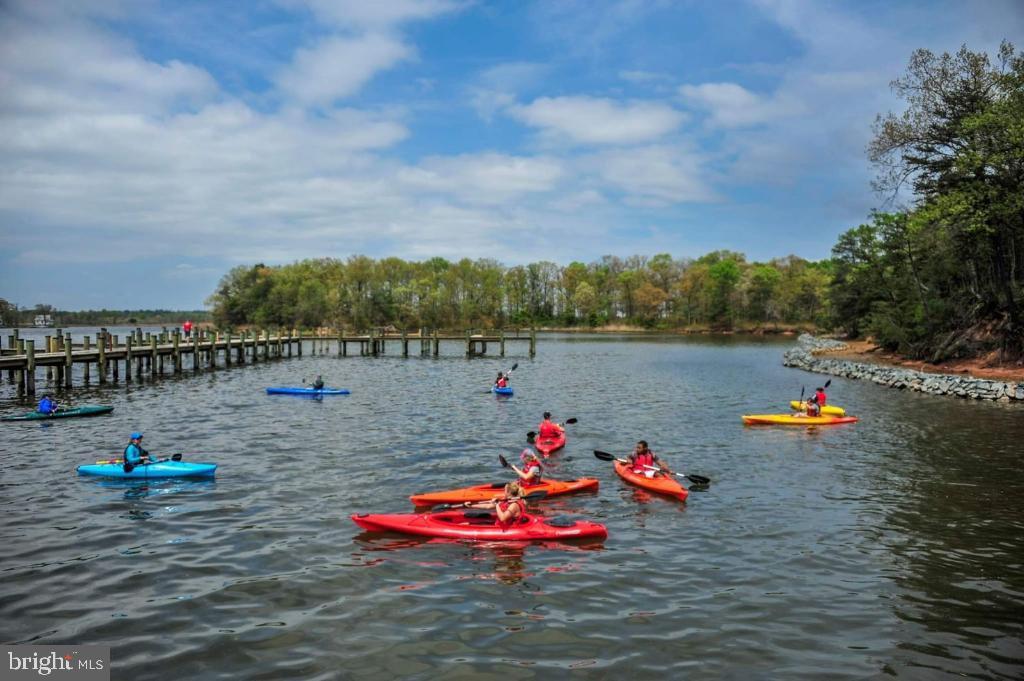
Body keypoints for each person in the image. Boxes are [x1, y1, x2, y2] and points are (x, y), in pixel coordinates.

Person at [462, 481, 528, 527]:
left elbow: (503, 518)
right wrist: (471, 505)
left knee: (467, 525)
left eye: (504, 490)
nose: (503, 492)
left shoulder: (514, 505)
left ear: (508, 493)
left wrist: (497, 505)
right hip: (499, 524)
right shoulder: (506, 500)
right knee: (468, 523)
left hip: (508, 528)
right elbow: (488, 506)